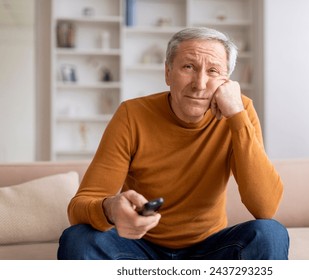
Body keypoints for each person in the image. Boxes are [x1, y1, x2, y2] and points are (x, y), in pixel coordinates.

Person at [57, 27, 289, 260]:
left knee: (270, 233)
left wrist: (237, 114)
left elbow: (265, 208)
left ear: (226, 82)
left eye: (213, 71)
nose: (199, 84)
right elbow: (79, 207)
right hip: (139, 248)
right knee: (78, 238)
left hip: (210, 249)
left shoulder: (239, 111)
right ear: (168, 73)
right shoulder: (132, 114)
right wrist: (110, 210)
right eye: (188, 67)